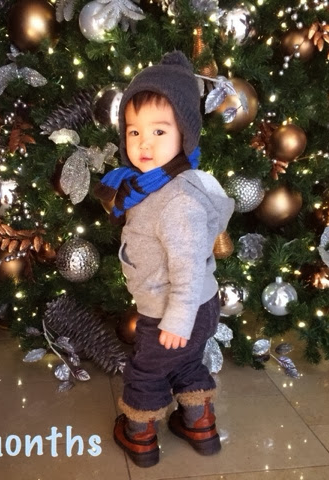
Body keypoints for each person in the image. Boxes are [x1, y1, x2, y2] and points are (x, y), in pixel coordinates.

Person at [94, 51, 235, 468]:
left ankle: (139, 434)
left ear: (184, 136)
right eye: (134, 131)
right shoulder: (152, 185)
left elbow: (187, 267)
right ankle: (200, 423)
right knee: (187, 362)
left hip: (172, 310)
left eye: (159, 130)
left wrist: (176, 320)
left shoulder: (178, 202)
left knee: (148, 371)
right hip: (196, 308)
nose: (144, 143)